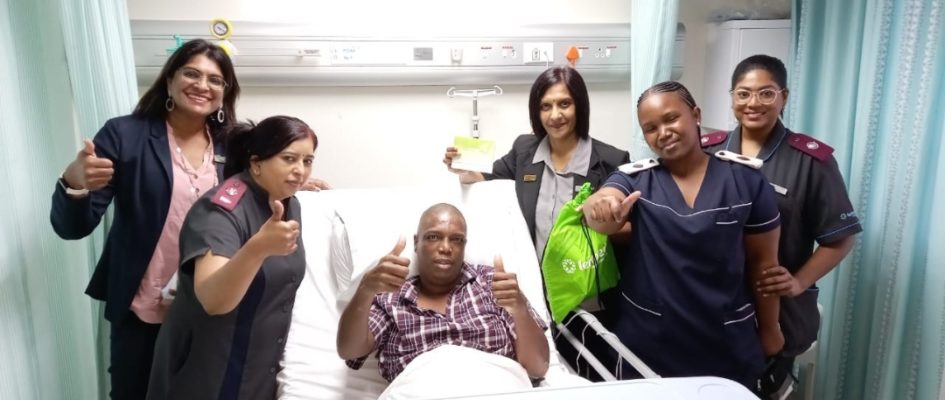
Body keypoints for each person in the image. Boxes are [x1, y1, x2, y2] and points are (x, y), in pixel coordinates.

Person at [49, 39, 239, 399]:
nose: (203, 85)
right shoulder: (126, 135)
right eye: (192, 73)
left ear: (224, 93)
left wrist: (293, 180)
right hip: (142, 308)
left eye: (216, 80)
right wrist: (75, 180)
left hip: (209, 307)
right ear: (169, 80)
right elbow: (73, 227)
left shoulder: (234, 145)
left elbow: (260, 186)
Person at [581, 81, 784, 391]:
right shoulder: (636, 179)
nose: (663, 132)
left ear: (696, 114)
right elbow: (605, 203)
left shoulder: (746, 181)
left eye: (671, 118)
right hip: (650, 341)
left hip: (724, 340)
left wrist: (770, 328)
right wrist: (600, 206)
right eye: (650, 128)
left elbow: (763, 265)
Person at [442, 66, 629, 379]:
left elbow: (625, 229)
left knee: (590, 376)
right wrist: (459, 166)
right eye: (545, 106)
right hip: (537, 296)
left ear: (580, 106)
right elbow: (485, 178)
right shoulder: (524, 151)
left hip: (587, 299)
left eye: (564, 104)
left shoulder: (610, 160)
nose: (555, 115)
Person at [702, 54, 862, 397]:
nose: (753, 103)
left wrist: (799, 281)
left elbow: (841, 237)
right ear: (731, 97)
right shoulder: (707, 154)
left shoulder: (810, 161)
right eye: (743, 94)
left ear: (784, 97)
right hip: (714, 307)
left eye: (766, 93)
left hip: (777, 316)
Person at [146, 115, 317, 399]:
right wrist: (257, 249)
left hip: (257, 367)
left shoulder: (287, 203)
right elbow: (214, 299)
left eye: (307, 161)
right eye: (289, 159)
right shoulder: (220, 211)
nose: (300, 171)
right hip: (207, 369)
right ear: (256, 163)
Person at [337, 203, 550, 383]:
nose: (446, 247)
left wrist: (520, 308)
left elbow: (538, 368)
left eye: (456, 239)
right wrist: (365, 290)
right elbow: (349, 350)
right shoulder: (390, 297)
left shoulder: (494, 284)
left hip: (494, 388)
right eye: (433, 237)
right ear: (416, 243)